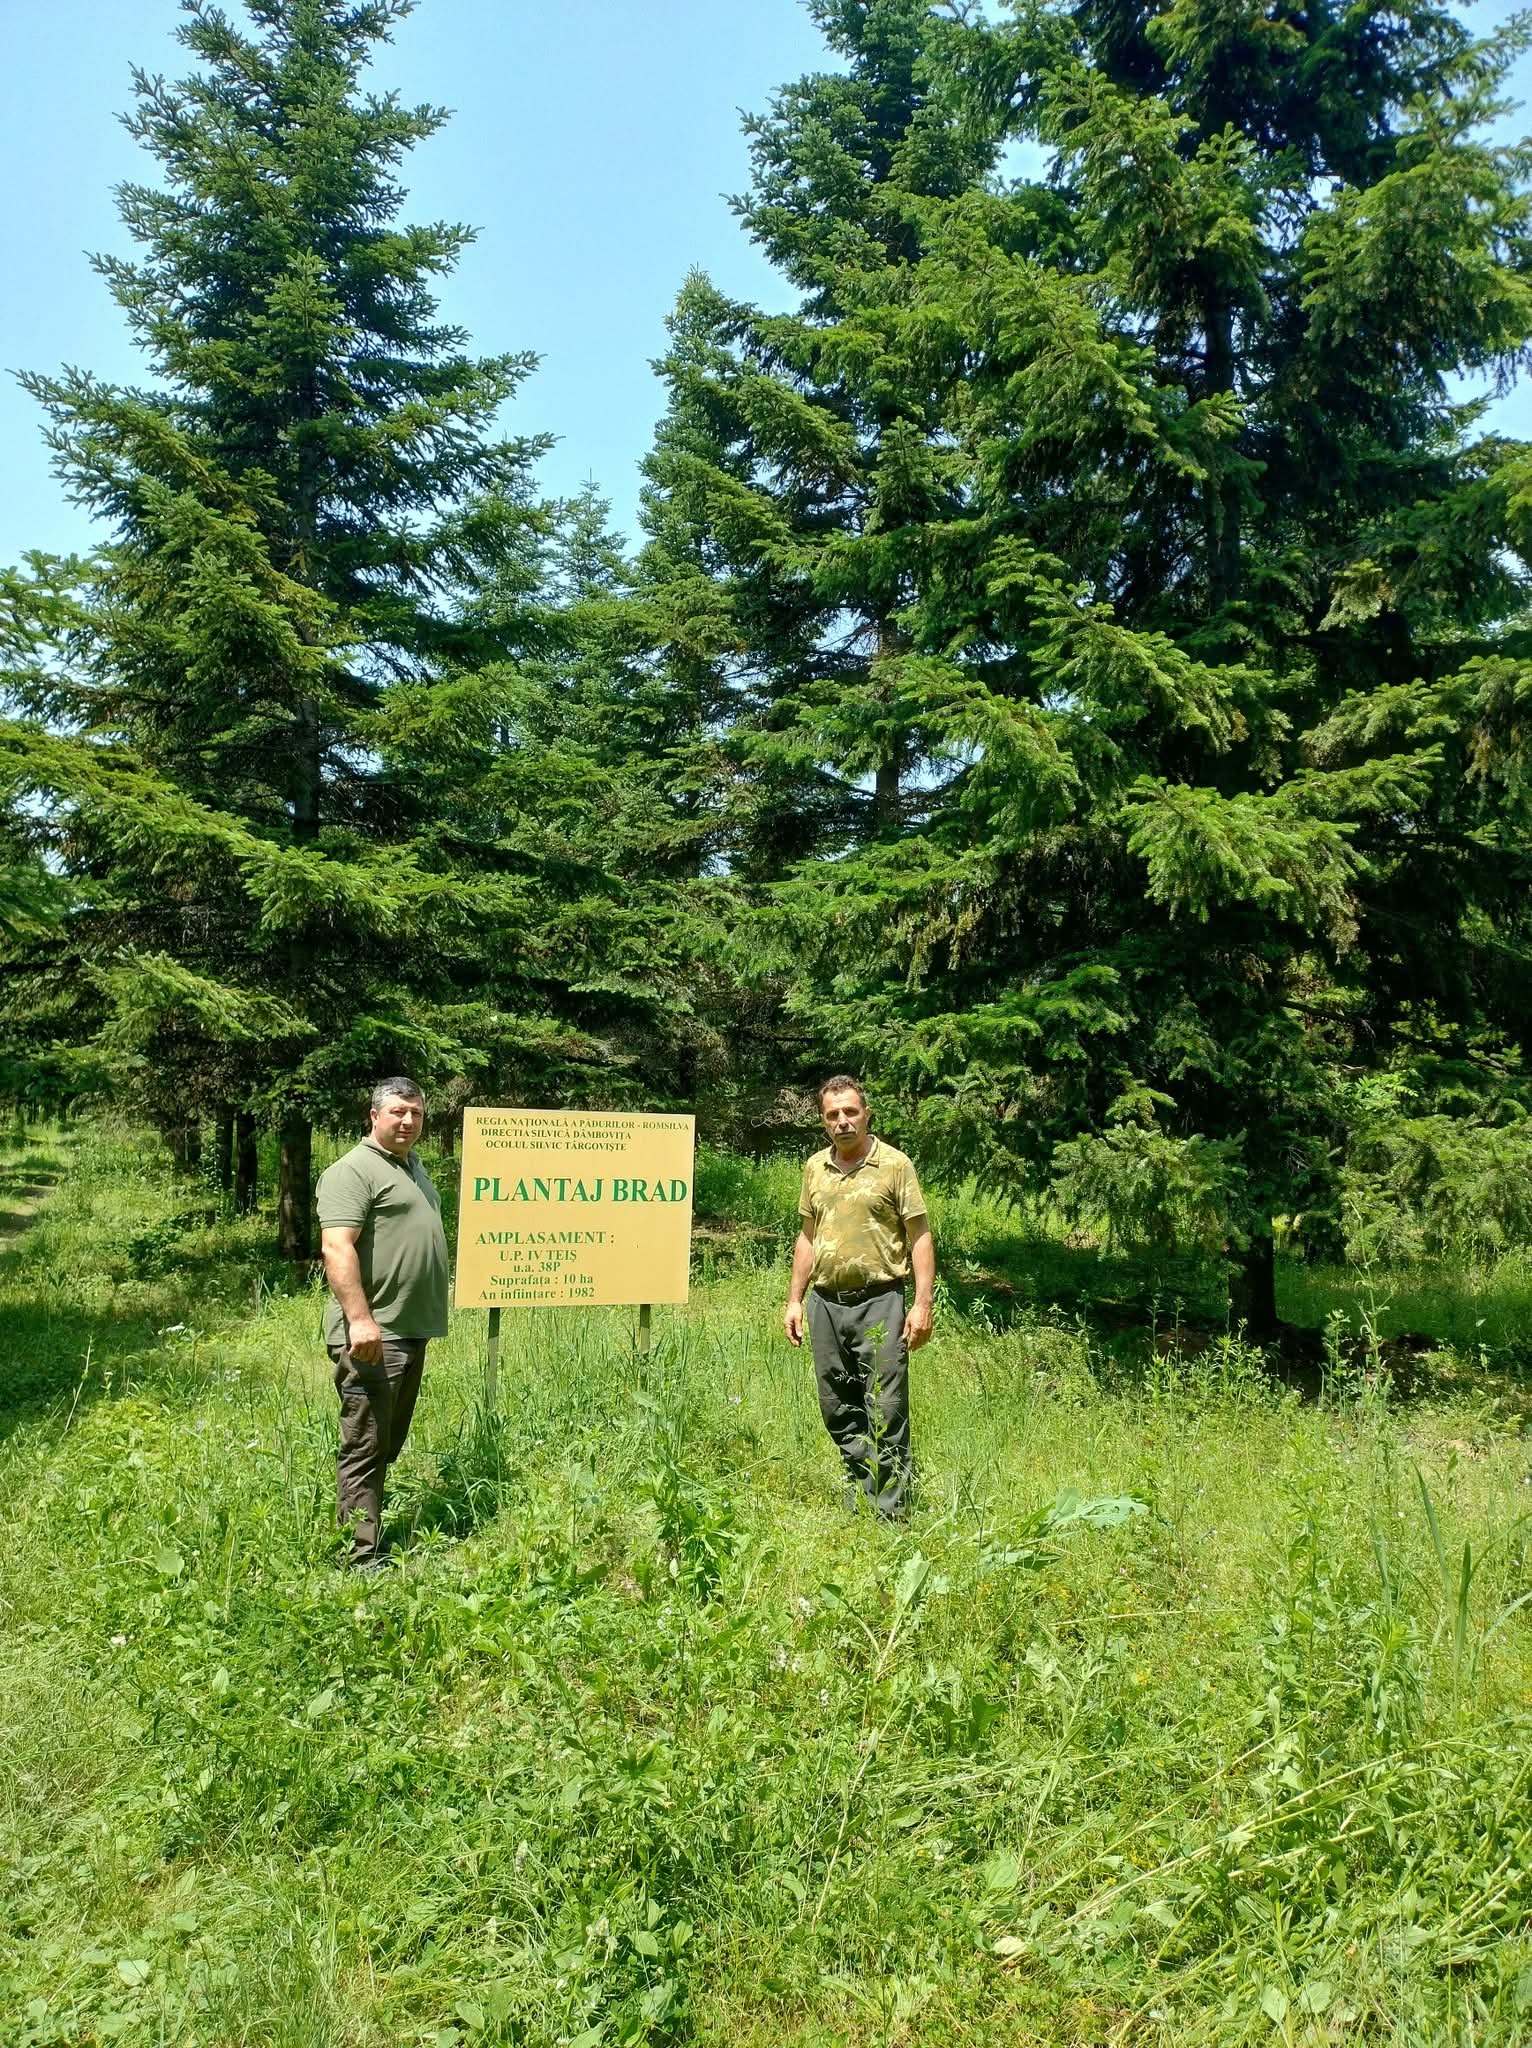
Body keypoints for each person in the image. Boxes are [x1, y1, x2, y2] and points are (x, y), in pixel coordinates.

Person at [784, 1075, 934, 1518]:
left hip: (880, 1302)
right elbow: (808, 1236)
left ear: (866, 1114)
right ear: (823, 1121)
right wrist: (795, 1299)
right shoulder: (815, 1168)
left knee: (886, 1406)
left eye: (850, 1111)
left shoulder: (894, 1165)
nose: (843, 1121)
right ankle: (862, 1488)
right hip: (826, 1304)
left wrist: (922, 1304)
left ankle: (893, 1511)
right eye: (833, 1115)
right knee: (837, 1406)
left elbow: (919, 1235)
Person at [317, 1077, 449, 1571]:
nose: (408, 1121)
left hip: (409, 1329)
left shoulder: (412, 1168)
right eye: (397, 1112)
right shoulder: (353, 1171)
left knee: (386, 1443)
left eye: (415, 1113)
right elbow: (337, 1246)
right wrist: (359, 1319)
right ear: (373, 1116)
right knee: (365, 1445)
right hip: (375, 1334)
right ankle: (359, 1558)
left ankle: (367, 1531)